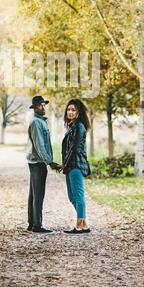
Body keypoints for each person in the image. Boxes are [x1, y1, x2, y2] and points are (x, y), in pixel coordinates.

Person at [26, 95, 60, 234]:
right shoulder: (35, 122)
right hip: (38, 162)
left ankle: (32, 223)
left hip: (37, 162)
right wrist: (49, 162)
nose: (43, 107)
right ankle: (37, 226)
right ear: (34, 107)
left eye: (44, 105)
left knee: (34, 193)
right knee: (38, 194)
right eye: (40, 105)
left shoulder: (41, 121)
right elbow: (40, 145)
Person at [58, 98, 91, 234]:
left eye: (73, 110)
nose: (70, 112)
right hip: (70, 166)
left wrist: (64, 163)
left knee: (78, 196)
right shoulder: (73, 126)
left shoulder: (79, 127)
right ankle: (84, 224)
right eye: (68, 109)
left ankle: (79, 225)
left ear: (79, 112)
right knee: (72, 197)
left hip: (76, 165)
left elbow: (75, 148)